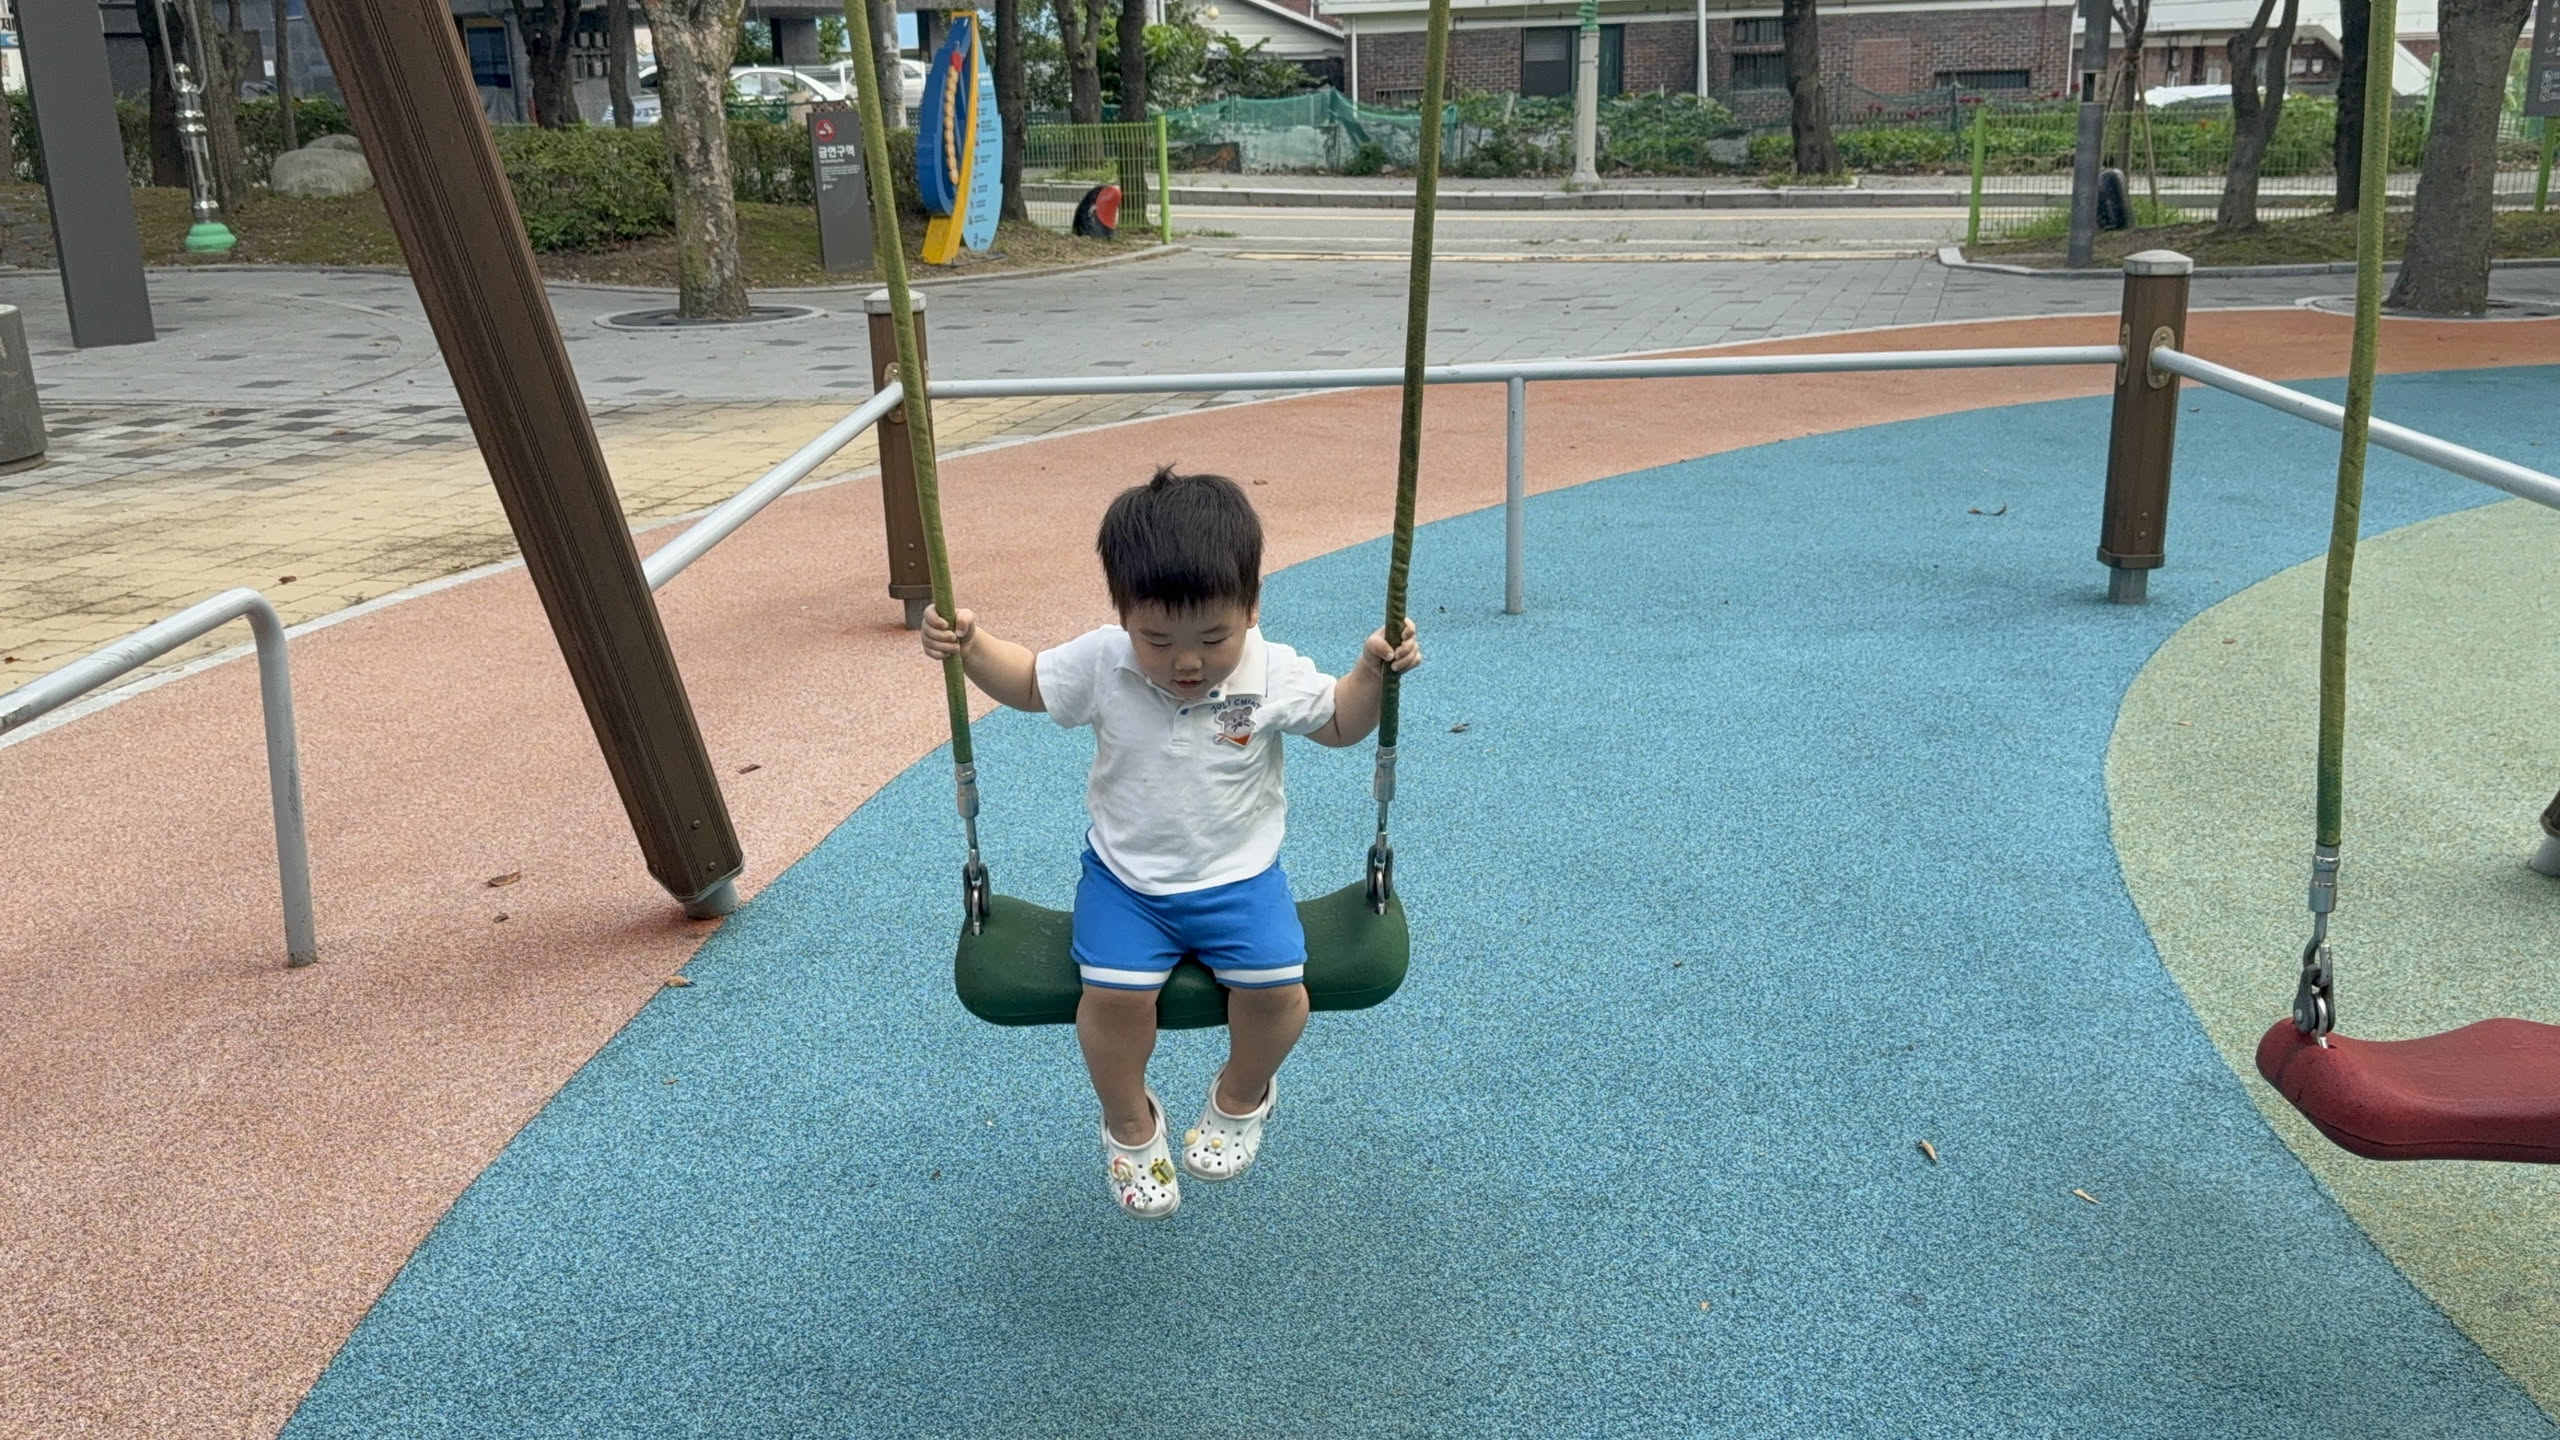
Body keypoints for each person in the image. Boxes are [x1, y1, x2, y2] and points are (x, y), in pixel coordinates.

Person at [921, 466, 1421, 1220]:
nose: (1187, 662)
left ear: (1251, 606)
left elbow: (1344, 723)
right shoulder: (1103, 661)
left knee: (1279, 994)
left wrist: (1372, 673)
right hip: (1127, 885)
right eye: (1157, 639)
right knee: (1111, 1002)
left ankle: (1241, 1095)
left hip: (1241, 881)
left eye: (1214, 638)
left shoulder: (1270, 669)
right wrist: (971, 643)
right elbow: (1027, 683)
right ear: (1123, 616)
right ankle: (1130, 1123)